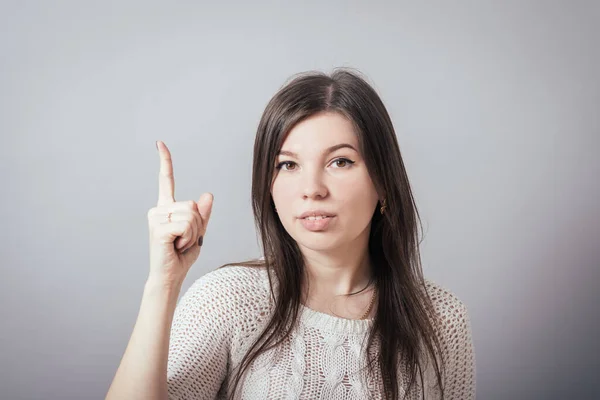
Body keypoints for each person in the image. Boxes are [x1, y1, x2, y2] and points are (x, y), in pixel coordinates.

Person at [106, 69, 475, 400]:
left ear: (382, 180)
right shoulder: (228, 301)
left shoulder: (441, 320)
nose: (312, 188)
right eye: (288, 164)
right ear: (268, 186)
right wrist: (163, 284)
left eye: (340, 161)